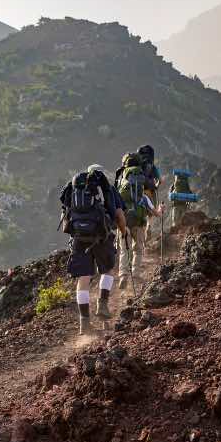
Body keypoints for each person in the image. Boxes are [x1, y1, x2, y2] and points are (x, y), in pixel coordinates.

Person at [60, 165, 127, 335]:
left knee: (83, 279)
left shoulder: (74, 189)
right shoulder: (107, 189)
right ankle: (102, 304)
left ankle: (84, 323)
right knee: (108, 270)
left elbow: (65, 216)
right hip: (101, 236)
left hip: (79, 239)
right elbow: (119, 215)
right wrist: (124, 233)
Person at [117, 153, 164, 289]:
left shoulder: (121, 184)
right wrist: (161, 209)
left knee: (124, 251)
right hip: (139, 222)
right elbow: (156, 214)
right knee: (137, 249)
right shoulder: (143, 197)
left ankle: (123, 275)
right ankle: (136, 274)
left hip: (123, 222)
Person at [137, 144, 163, 241]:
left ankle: (142, 234)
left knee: (141, 214)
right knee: (151, 213)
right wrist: (156, 186)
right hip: (150, 192)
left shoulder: (138, 165)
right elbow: (160, 180)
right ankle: (149, 226)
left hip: (139, 192)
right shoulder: (153, 166)